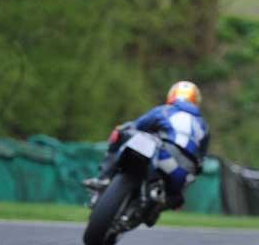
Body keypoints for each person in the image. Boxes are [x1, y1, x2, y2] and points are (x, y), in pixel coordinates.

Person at [84, 81, 210, 211]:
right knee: (175, 198)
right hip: (183, 172)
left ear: (172, 95)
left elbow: (136, 126)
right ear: (196, 101)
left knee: (121, 131)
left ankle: (104, 178)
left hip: (162, 156)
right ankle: (158, 200)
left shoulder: (164, 110)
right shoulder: (203, 126)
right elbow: (201, 159)